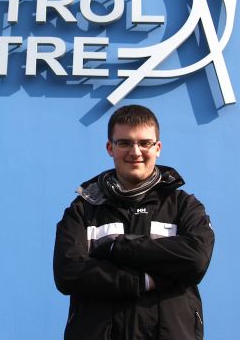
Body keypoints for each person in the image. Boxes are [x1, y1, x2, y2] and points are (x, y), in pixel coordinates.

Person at [53, 105, 214, 340]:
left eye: (145, 143)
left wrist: (116, 248)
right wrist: (141, 281)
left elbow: (196, 259)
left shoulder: (184, 206)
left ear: (157, 148)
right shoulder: (83, 209)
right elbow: (68, 273)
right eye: (125, 143)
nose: (135, 151)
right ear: (110, 148)